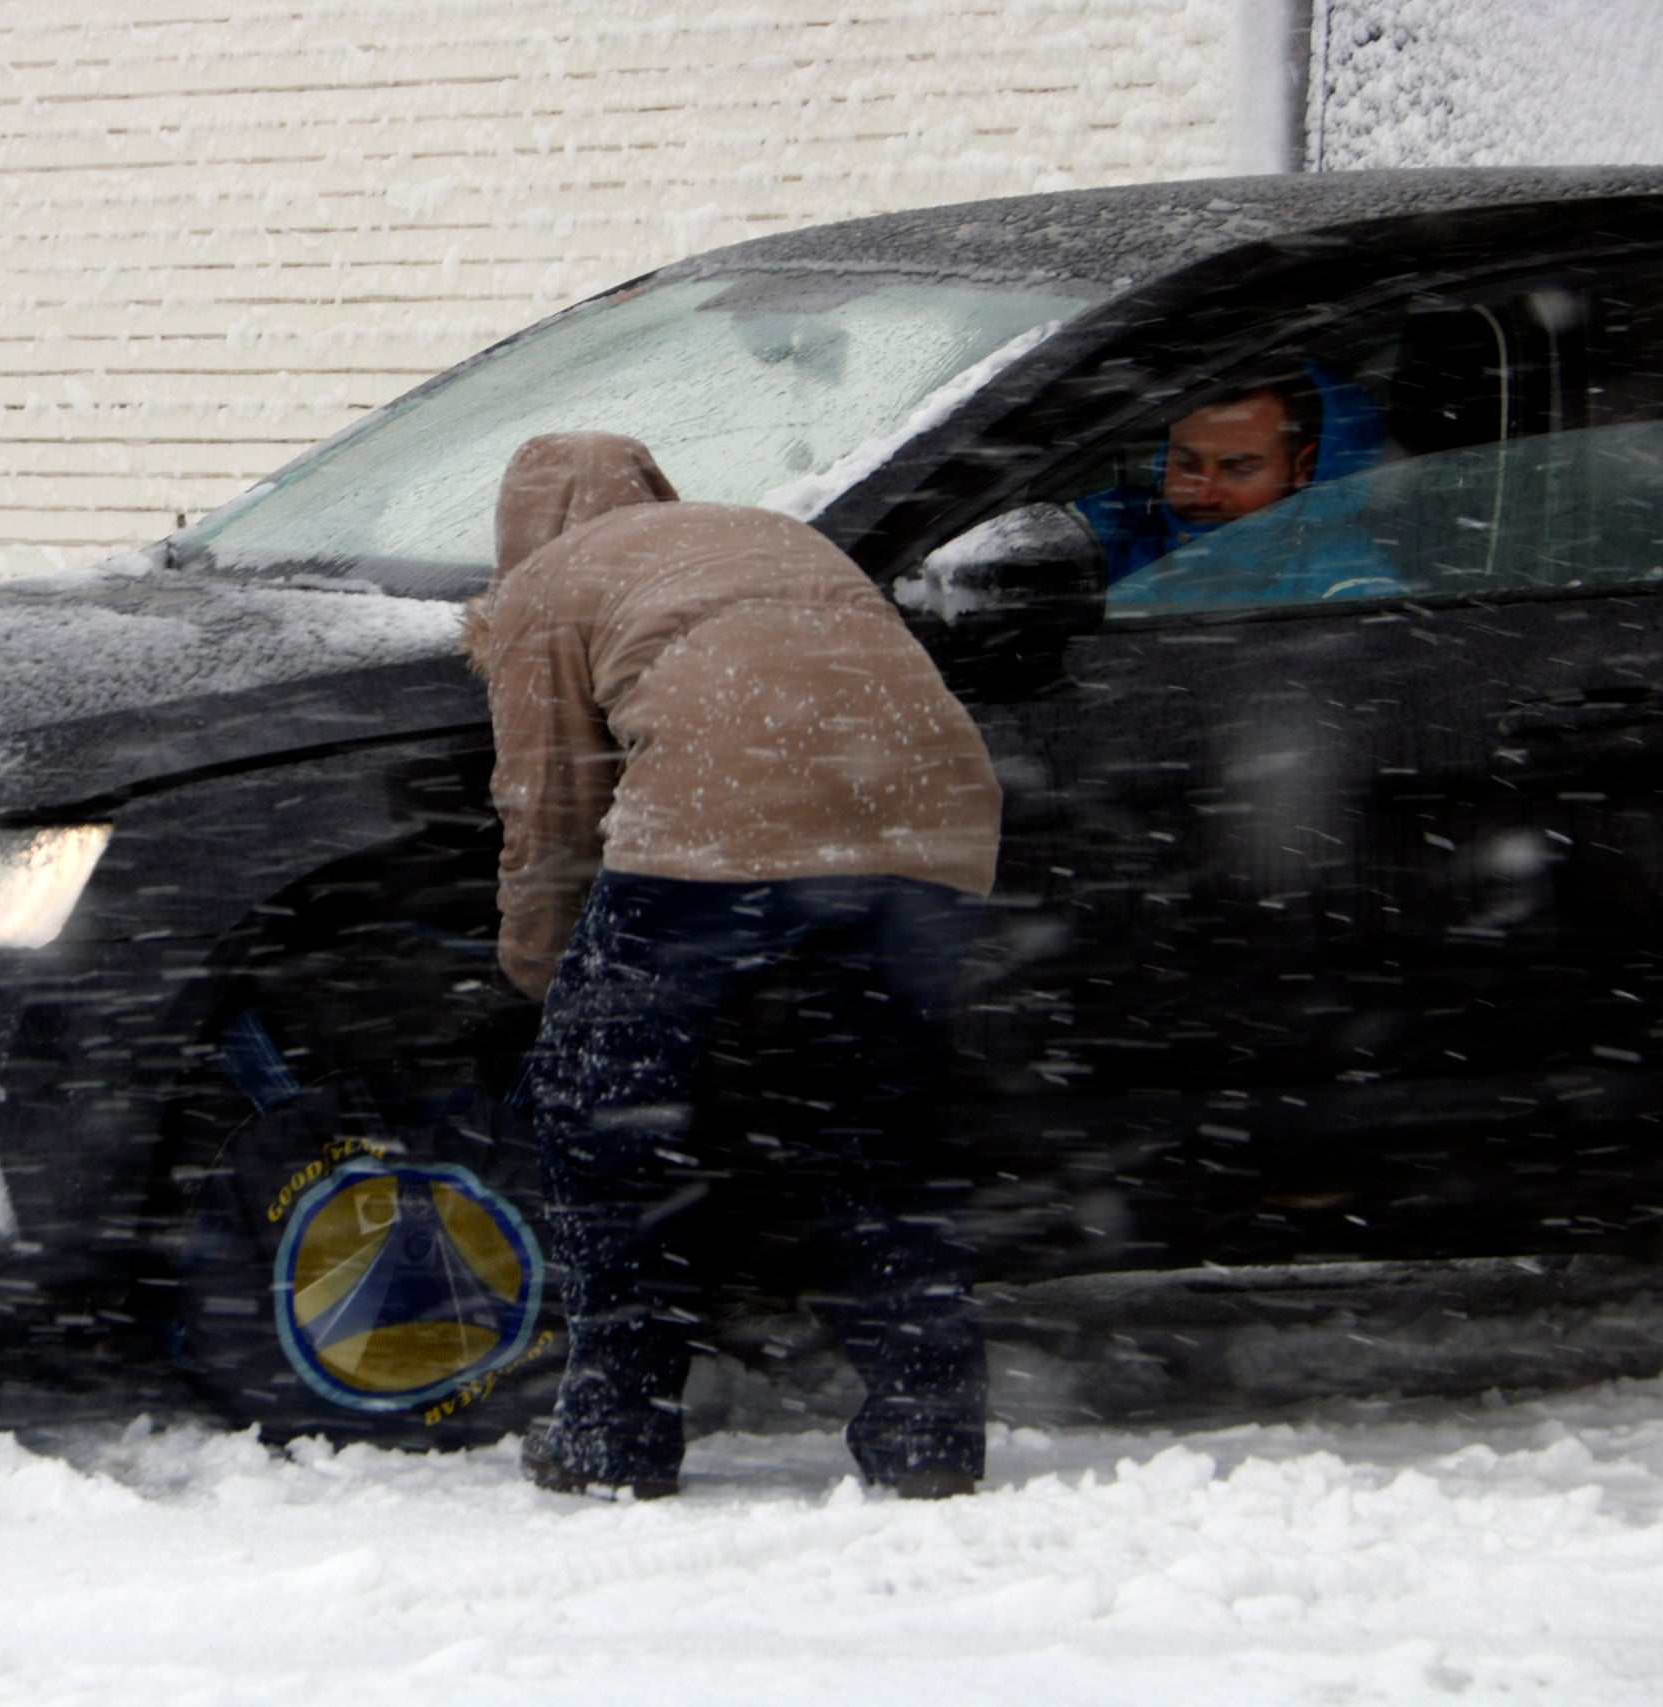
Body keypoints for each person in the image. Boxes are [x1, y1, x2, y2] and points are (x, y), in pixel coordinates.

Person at [465, 431, 1004, 1500]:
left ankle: (615, 1428)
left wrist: (544, 983)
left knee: (605, 1122)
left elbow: (547, 811)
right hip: (935, 815)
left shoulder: (542, 584)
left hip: (725, 809)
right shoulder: (765, 534)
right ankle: (928, 1427)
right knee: (869, 1125)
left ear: (521, 527)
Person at [1077, 366, 1402, 605]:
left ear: (1303, 468)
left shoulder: (1345, 591)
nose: (1203, 493)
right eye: (1186, 464)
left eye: (1240, 470)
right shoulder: (1111, 525)